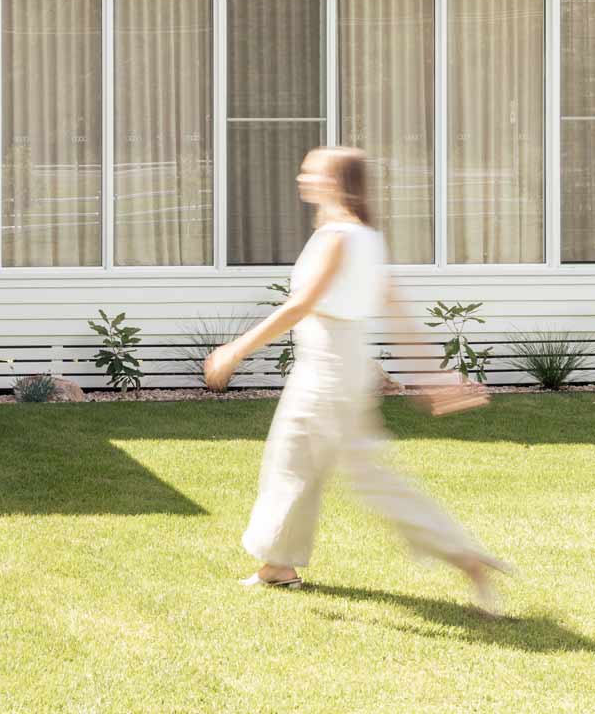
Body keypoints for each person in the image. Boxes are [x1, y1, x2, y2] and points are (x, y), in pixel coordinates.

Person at [204, 146, 511, 613]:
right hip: (342, 368)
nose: (303, 176)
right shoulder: (365, 238)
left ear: (336, 182)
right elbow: (398, 313)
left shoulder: (341, 239)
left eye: (314, 171)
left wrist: (233, 351)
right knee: (319, 469)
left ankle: (462, 556)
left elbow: (300, 305)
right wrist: (432, 376)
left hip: (326, 369)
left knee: (313, 469)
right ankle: (278, 566)